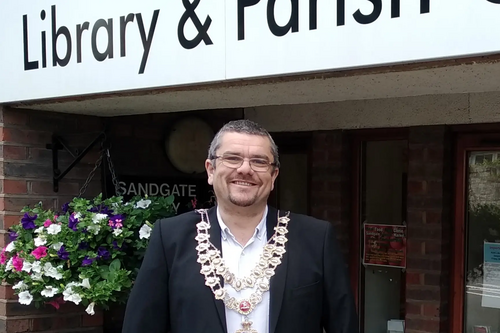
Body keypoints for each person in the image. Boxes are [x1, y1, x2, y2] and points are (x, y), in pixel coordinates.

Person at [122, 119, 359, 333]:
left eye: (259, 161)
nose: (245, 169)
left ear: (274, 175)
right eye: (232, 158)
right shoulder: (170, 238)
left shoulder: (315, 238)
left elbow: (343, 325)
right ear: (211, 170)